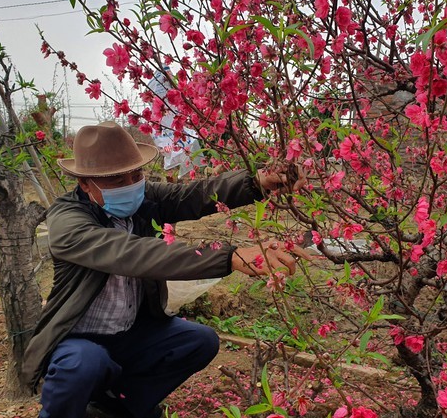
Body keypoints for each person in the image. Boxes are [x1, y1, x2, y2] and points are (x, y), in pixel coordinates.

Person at [20, 121, 308, 418]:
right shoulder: (68, 221)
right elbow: (132, 253)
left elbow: (196, 195)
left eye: (136, 174)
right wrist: (228, 257)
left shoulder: (144, 198)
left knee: (199, 341)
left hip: (132, 331)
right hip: (79, 338)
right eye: (118, 180)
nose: (132, 185)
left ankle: (117, 407)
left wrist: (256, 182)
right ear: (85, 183)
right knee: (82, 363)